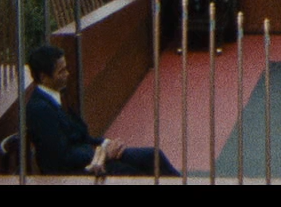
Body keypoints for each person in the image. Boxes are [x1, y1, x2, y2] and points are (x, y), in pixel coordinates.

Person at [24, 44, 178, 177]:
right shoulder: (40, 109)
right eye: (61, 71)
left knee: (152, 156)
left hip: (91, 156)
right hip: (76, 170)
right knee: (133, 174)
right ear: (44, 77)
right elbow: (62, 156)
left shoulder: (58, 96)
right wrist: (105, 153)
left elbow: (82, 136)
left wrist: (107, 143)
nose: (67, 74)